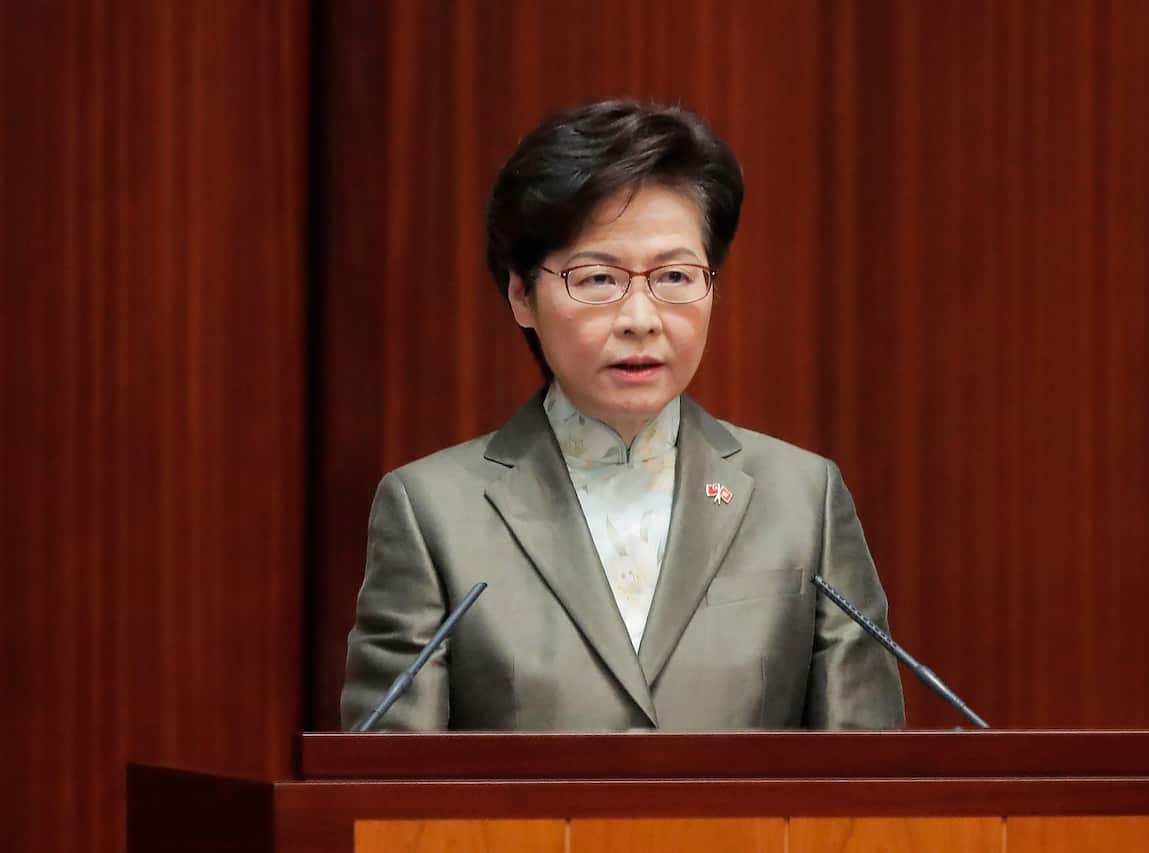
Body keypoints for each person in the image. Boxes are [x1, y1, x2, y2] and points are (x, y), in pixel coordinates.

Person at [340, 100, 905, 731]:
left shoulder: (803, 500)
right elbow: (388, 798)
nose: (641, 318)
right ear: (522, 294)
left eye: (674, 275)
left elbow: (867, 783)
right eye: (599, 279)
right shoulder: (433, 514)